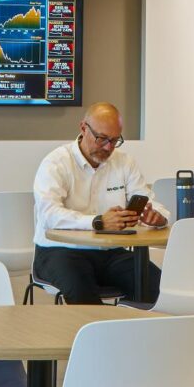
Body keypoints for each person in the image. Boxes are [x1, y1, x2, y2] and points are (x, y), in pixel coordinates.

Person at [29, 103, 163, 305]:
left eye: (115, 140)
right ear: (83, 128)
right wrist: (98, 221)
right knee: (83, 294)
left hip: (110, 252)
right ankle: (96, 336)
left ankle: (139, 334)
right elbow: (49, 214)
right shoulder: (56, 163)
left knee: (158, 287)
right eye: (102, 139)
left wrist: (157, 217)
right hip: (60, 251)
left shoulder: (125, 162)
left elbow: (147, 199)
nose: (108, 147)